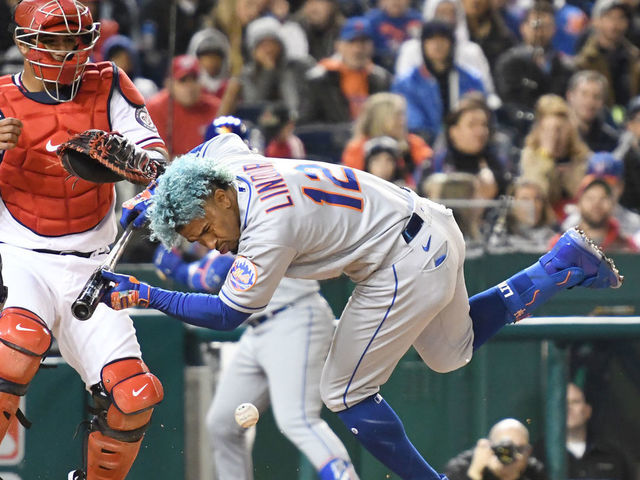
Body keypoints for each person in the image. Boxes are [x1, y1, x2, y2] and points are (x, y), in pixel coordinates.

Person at [100, 130, 621, 480]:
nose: (211, 242)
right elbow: (220, 138)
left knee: (342, 392)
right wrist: (161, 187)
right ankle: (555, 267)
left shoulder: (265, 230)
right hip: (432, 225)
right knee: (451, 352)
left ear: (218, 198)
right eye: (199, 240)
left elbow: (225, 315)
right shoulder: (228, 167)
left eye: (207, 230)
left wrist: (145, 293)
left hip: (400, 259)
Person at [0, 1, 168, 479]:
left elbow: (155, 155)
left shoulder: (108, 80)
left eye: (73, 40)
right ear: (23, 43)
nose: (64, 50)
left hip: (94, 264)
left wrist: (135, 163)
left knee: (135, 393)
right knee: (15, 348)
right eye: (52, 40)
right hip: (20, 256)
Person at [152, 117, 359, 480]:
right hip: (259, 330)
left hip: (295, 317)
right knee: (221, 423)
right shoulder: (219, 201)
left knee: (298, 420)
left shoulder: (252, 197)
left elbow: (213, 276)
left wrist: (176, 268)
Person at [391, 19, 485, 144]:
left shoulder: (471, 80)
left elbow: (481, 113)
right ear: (423, 45)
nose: (437, 45)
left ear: (452, 43)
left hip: (466, 141)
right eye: (431, 39)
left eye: (443, 39)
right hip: (423, 143)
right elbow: (413, 121)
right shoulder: (406, 83)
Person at [494, 2, 575, 144]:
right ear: (523, 28)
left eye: (547, 26)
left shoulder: (565, 65)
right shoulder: (509, 62)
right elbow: (510, 103)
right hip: (518, 130)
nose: (541, 32)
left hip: (559, 131)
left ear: (554, 29)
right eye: (536, 26)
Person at [298, 16, 391, 125]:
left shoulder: (382, 78)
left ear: (372, 46)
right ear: (338, 46)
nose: (358, 49)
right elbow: (305, 124)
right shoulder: (318, 79)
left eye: (363, 43)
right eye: (351, 42)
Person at [534, 382, 633, 480]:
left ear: (587, 411)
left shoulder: (613, 456)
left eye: (575, 402)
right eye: (562, 403)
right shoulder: (539, 455)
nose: (568, 408)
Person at [519, 94, 591, 220]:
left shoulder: (582, 157)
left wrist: (568, 174)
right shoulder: (530, 155)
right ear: (538, 130)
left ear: (570, 130)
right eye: (547, 130)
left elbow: (582, 194)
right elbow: (537, 197)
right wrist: (546, 158)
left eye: (558, 130)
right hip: (544, 222)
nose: (554, 137)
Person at [341, 92, 432, 189]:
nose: (402, 121)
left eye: (402, 115)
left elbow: (430, 169)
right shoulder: (357, 148)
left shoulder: (414, 143)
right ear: (380, 118)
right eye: (397, 116)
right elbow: (352, 184)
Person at [146, 54, 221, 156]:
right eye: (183, 80)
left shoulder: (215, 107)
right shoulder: (154, 109)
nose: (190, 86)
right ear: (169, 84)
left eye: (194, 79)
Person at [574, 0, 640, 108]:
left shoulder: (635, 58)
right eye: (609, 17)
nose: (615, 23)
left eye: (621, 17)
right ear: (595, 21)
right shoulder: (583, 61)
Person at [444, 418, 547, 480]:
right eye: (502, 448)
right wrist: (475, 473)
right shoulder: (462, 468)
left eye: (518, 449)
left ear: (528, 451)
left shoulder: (533, 472)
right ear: (491, 447)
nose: (509, 454)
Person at [565, 71, 619, 153]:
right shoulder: (558, 135)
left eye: (596, 96)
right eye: (584, 94)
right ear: (570, 96)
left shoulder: (611, 140)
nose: (590, 101)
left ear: (603, 102)